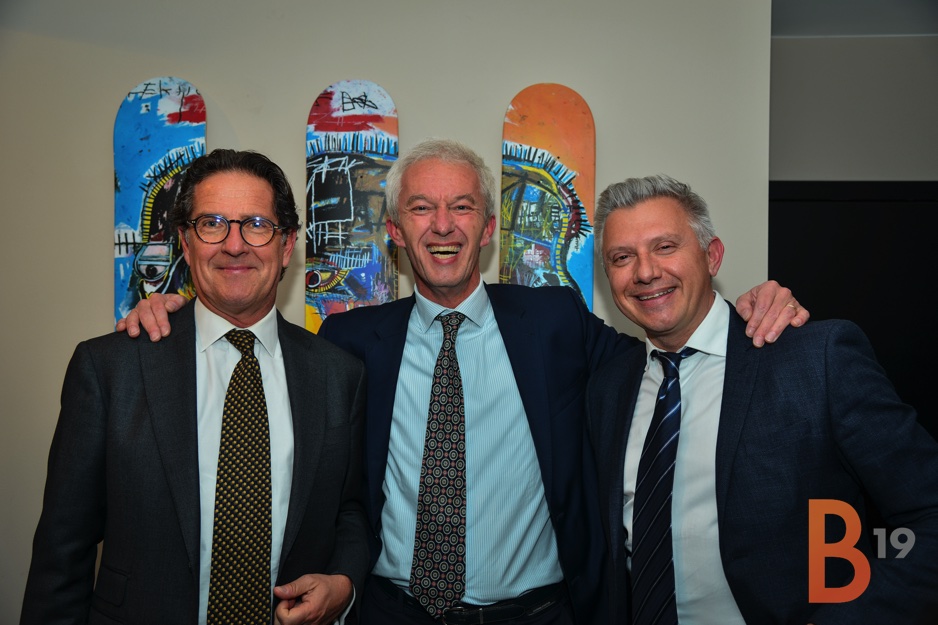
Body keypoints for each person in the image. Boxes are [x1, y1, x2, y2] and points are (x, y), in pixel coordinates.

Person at [118, 139, 809, 625]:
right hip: (392, 612)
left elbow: (666, 333)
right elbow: (333, 482)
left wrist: (746, 303)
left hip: (536, 614)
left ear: (487, 230)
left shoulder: (556, 322)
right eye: (421, 208)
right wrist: (181, 311)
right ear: (395, 231)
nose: (442, 226)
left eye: (462, 208)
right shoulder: (349, 342)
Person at [22, 149, 369, 625]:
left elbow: (350, 512)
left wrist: (344, 582)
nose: (234, 245)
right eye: (212, 224)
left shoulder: (338, 375)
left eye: (257, 225)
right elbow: (62, 552)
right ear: (186, 244)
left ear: (287, 245)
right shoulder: (110, 368)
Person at [586, 174, 938, 624]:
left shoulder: (816, 360)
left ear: (712, 256)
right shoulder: (608, 389)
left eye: (665, 247)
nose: (645, 272)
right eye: (622, 257)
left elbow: (928, 513)